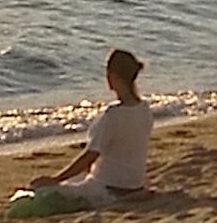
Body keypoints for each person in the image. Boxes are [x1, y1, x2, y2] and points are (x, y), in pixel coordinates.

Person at [28, 47, 154, 206]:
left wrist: (56, 179)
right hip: (134, 183)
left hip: (108, 186)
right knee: (76, 178)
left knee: (39, 188)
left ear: (112, 77)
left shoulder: (113, 115)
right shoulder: (145, 109)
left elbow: (90, 155)